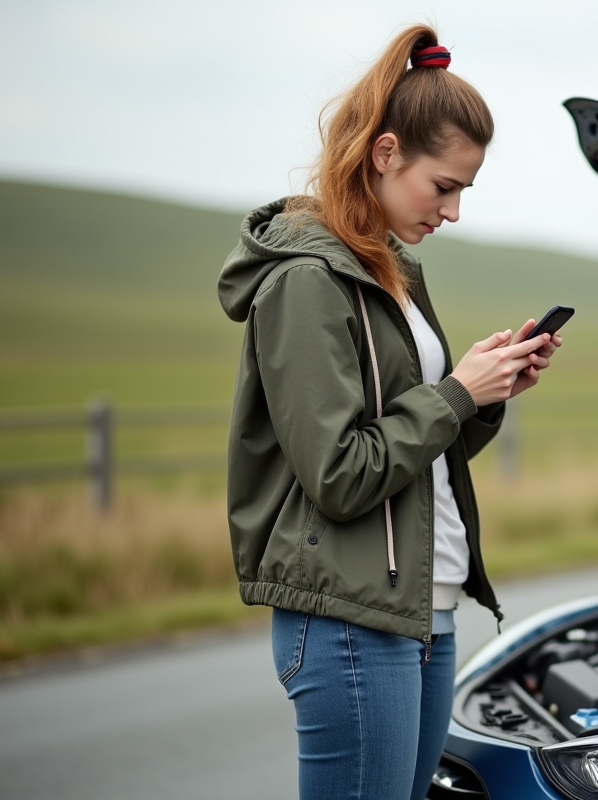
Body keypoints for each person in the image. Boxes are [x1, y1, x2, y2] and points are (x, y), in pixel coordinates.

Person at [216, 24, 561, 800]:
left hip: (422, 607)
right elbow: (340, 474)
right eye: (445, 186)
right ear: (385, 154)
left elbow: (412, 449)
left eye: (465, 190)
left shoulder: (394, 274)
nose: (456, 211)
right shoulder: (306, 282)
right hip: (349, 619)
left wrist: (484, 396)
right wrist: (455, 393)